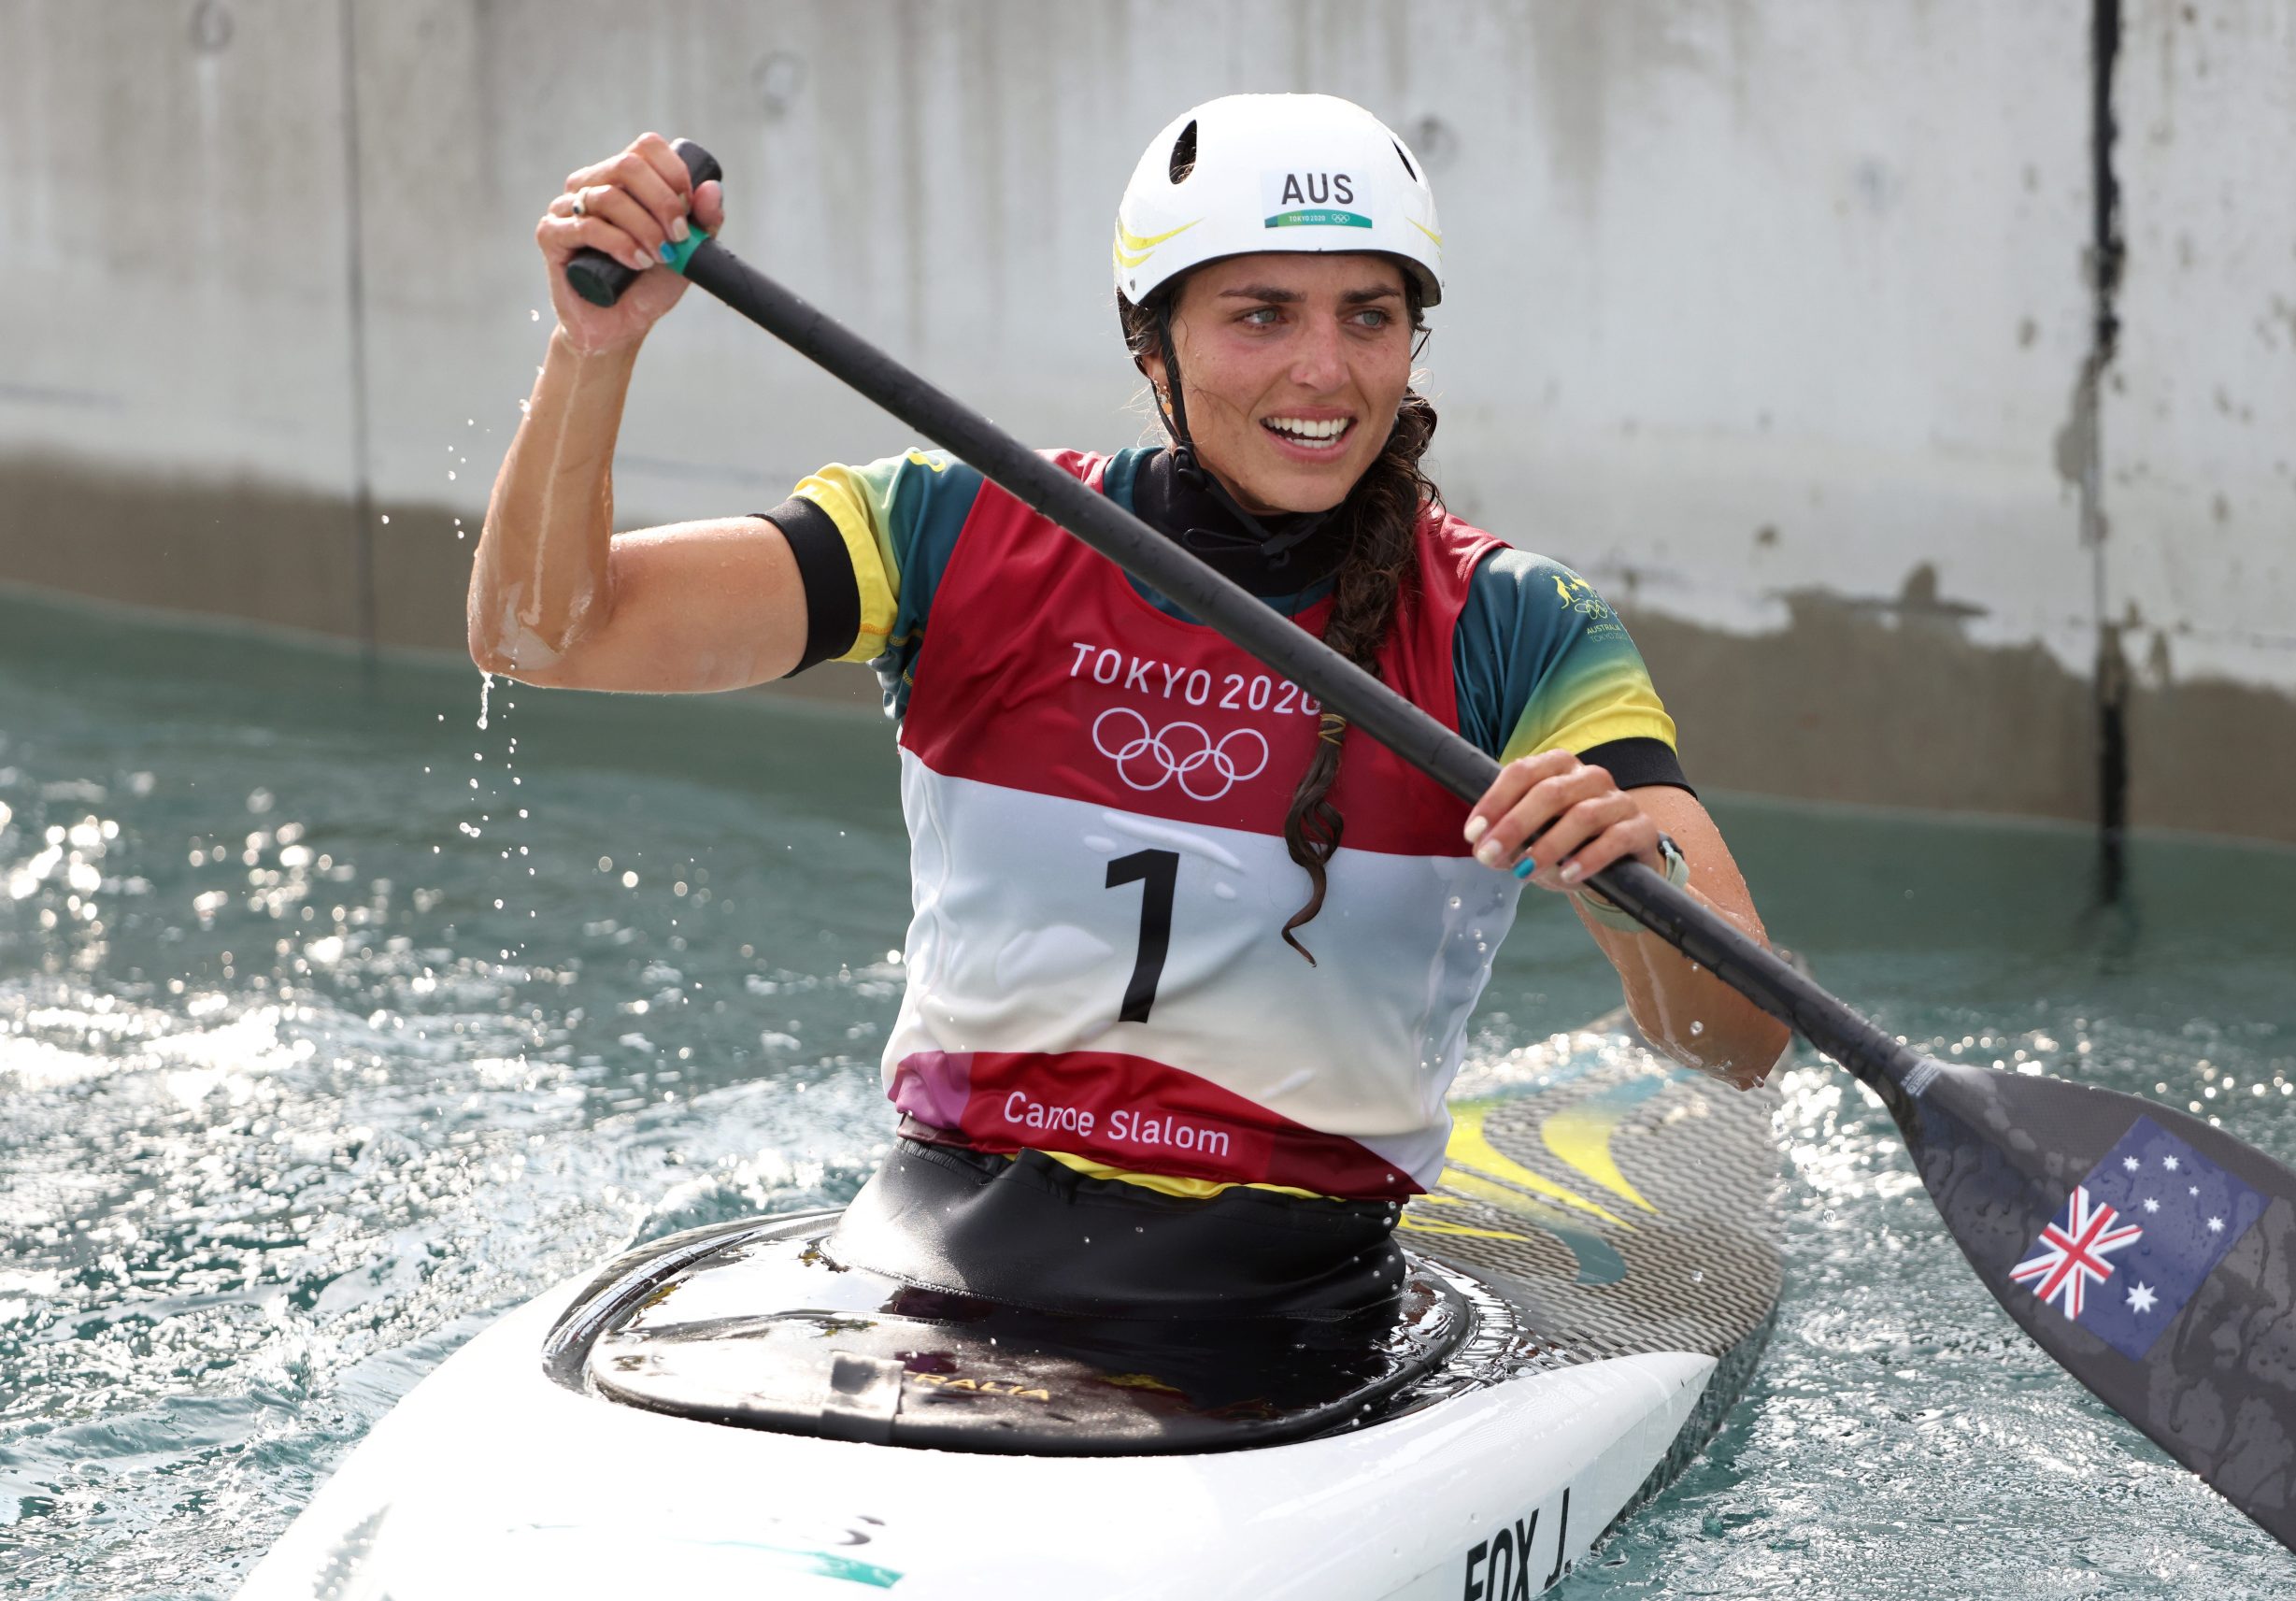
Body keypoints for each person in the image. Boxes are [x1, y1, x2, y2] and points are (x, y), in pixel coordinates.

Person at [471, 96, 1789, 1324]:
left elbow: (1731, 1039)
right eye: (1261, 316)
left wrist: (1629, 879)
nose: (1325, 372)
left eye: (1370, 316)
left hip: (1295, 1312)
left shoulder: (1520, 626)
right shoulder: (950, 526)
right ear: (1150, 341)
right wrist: (595, 349)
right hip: (923, 1263)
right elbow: (547, 634)